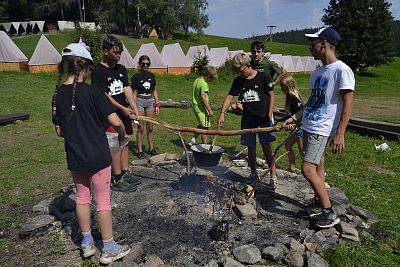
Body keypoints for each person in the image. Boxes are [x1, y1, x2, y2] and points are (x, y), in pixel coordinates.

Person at [51, 43, 131, 264]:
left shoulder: (58, 95)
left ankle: (87, 243)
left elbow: (59, 131)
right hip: (97, 155)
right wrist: (123, 134)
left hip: (75, 156)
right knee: (103, 201)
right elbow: (115, 121)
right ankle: (109, 248)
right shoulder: (93, 92)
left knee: (82, 198)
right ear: (84, 67)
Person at [283, 27, 355, 228]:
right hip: (309, 124)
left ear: (324, 44)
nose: (310, 48)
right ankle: (317, 203)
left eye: (312, 43)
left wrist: (340, 132)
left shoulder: (341, 70)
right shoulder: (318, 72)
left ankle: (328, 212)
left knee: (307, 169)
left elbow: (348, 103)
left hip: (322, 127)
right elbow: (312, 102)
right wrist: (295, 117)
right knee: (318, 166)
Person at [218, 53, 277, 190]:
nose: (238, 73)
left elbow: (271, 95)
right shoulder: (239, 81)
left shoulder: (263, 77)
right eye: (236, 71)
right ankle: (253, 173)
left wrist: (269, 113)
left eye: (240, 70)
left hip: (263, 119)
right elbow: (229, 97)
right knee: (251, 148)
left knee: (266, 147)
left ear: (247, 65)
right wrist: (222, 114)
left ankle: (273, 176)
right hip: (248, 119)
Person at [91, 35, 139, 186]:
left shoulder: (121, 69)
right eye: (115, 52)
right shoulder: (97, 70)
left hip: (124, 113)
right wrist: (122, 108)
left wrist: (134, 108)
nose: (118, 56)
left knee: (125, 141)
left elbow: (127, 89)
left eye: (120, 53)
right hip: (109, 114)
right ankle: (116, 177)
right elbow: (103, 95)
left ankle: (124, 172)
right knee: (115, 145)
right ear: (106, 51)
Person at [131, 55, 160, 158]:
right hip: (140, 100)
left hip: (149, 101)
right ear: (140, 64)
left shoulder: (152, 76)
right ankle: (139, 150)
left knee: (150, 127)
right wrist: (133, 106)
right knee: (140, 127)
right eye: (143, 64)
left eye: (147, 64)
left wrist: (157, 102)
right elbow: (134, 92)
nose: (145, 66)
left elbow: (154, 90)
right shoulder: (135, 77)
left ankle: (151, 148)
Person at [280, 75, 304, 173]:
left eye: (282, 87)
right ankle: (292, 168)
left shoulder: (294, 98)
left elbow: (300, 114)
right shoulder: (292, 95)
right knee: (288, 145)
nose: (281, 89)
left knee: (303, 151)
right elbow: (292, 113)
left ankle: (313, 171)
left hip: (300, 127)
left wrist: (293, 123)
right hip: (297, 126)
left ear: (288, 86)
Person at [188, 66, 218, 146]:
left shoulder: (197, 80)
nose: (211, 81)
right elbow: (203, 97)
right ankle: (204, 146)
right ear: (208, 76)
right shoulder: (204, 84)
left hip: (195, 107)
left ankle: (193, 139)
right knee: (205, 128)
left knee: (202, 124)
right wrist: (210, 110)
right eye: (211, 79)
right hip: (202, 108)